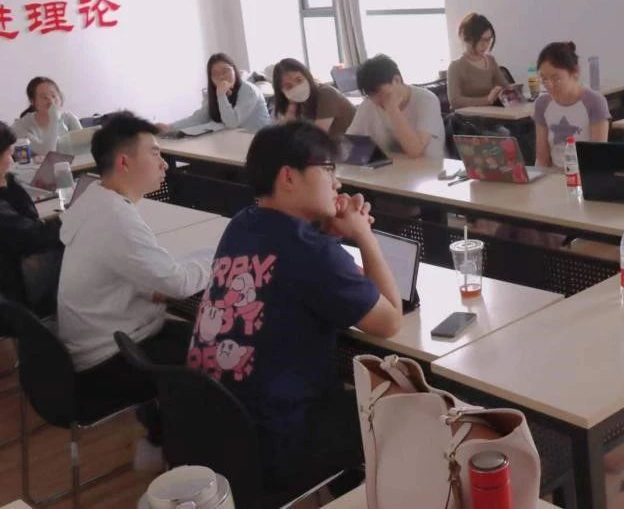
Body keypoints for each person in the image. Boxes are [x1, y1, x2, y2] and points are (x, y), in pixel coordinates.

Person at [187, 120, 401, 498]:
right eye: (328, 170)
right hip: (279, 439)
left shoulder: (242, 223)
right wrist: (363, 234)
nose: (337, 182)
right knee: (398, 405)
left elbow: (291, 268)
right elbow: (389, 320)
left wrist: (327, 237)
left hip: (213, 424)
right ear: (288, 176)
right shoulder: (310, 251)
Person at [57, 112, 211, 469]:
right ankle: (183, 455)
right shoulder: (115, 218)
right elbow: (178, 282)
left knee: (197, 331)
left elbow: (119, 269)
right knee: (215, 348)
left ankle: (162, 436)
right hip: (106, 361)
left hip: (95, 341)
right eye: (155, 153)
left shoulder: (95, 198)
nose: (164, 163)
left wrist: (152, 284)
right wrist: (220, 259)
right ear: (124, 162)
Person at [0, 121, 62, 315]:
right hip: (14, 291)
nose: (11, 161)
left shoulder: (7, 184)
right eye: (8, 154)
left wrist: (5, 183)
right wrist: (65, 221)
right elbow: (31, 236)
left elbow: (30, 220)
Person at [348, 54, 445, 159]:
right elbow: (348, 145)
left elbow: (415, 150)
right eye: (371, 95)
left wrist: (393, 110)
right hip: (391, 167)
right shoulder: (369, 103)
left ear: (397, 80)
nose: (376, 100)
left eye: (380, 93)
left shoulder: (427, 100)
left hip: (431, 166)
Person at [532, 42, 609, 169]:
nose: (549, 85)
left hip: (585, 174)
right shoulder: (542, 104)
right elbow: (542, 158)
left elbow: (598, 157)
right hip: (554, 175)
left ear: (575, 71)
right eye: (544, 79)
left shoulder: (595, 102)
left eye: (556, 79)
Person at [158, 53, 271, 133]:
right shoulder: (215, 93)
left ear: (234, 70)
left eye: (225, 71)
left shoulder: (249, 90)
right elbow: (200, 118)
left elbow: (232, 123)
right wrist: (170, 127)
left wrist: (221, 95)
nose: (221, 77)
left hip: (260, 142)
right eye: (215, 74)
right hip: (235, 141)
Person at [271, 57, 355, 137]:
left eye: (299, 80)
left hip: (354, 143)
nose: (296, 87)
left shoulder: (326, 93)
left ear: (307, 77)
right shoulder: (296, 103)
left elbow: (317, 137)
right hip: (333, 144)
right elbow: (287, 133)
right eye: (288, 86)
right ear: (281, 91)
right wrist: (291, 108)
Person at [446, 12, 510, 109]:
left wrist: (506, 91)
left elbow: (505, 86)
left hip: (490, 113)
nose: (486, 45)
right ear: (467, 38)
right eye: (482, 40)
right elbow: (455, 101)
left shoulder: (490, 60)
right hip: (467, 117)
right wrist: (487, 100)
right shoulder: (456, 66)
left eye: (488, 39)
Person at [12, 76, 82, 155]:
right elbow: (47, 152)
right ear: (33, 101)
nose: (51, 101)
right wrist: (54, 119)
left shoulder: (69, 118)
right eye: (44, 97)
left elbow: (84, 146)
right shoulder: (21, 126)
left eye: (53, 96)